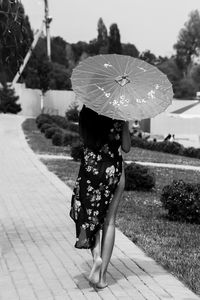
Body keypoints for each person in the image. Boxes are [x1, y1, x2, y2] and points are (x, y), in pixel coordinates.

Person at [70, 105, 131, 289]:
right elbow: (126, 148)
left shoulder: (86, 112)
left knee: (88, 214)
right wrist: (124, 122)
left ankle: (96, 256)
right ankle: (102, 276)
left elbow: (85, 139)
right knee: (109, 222)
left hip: (91, 168)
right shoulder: (119, 114)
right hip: (113, 170)